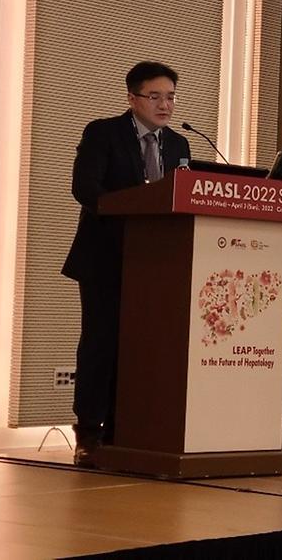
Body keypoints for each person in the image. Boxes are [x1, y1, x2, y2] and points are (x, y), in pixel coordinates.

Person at [61, 61, 191, 467]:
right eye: (155, 96)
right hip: (105, 258)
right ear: (132, 98)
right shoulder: (103, 133)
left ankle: (128, 429)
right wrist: (134, 209)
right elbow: (85, 188)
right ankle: (89, 433)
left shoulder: (179, 144)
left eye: (170, 97)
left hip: (156, 263)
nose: (165, 105)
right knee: (101, 345)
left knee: (143, 347)